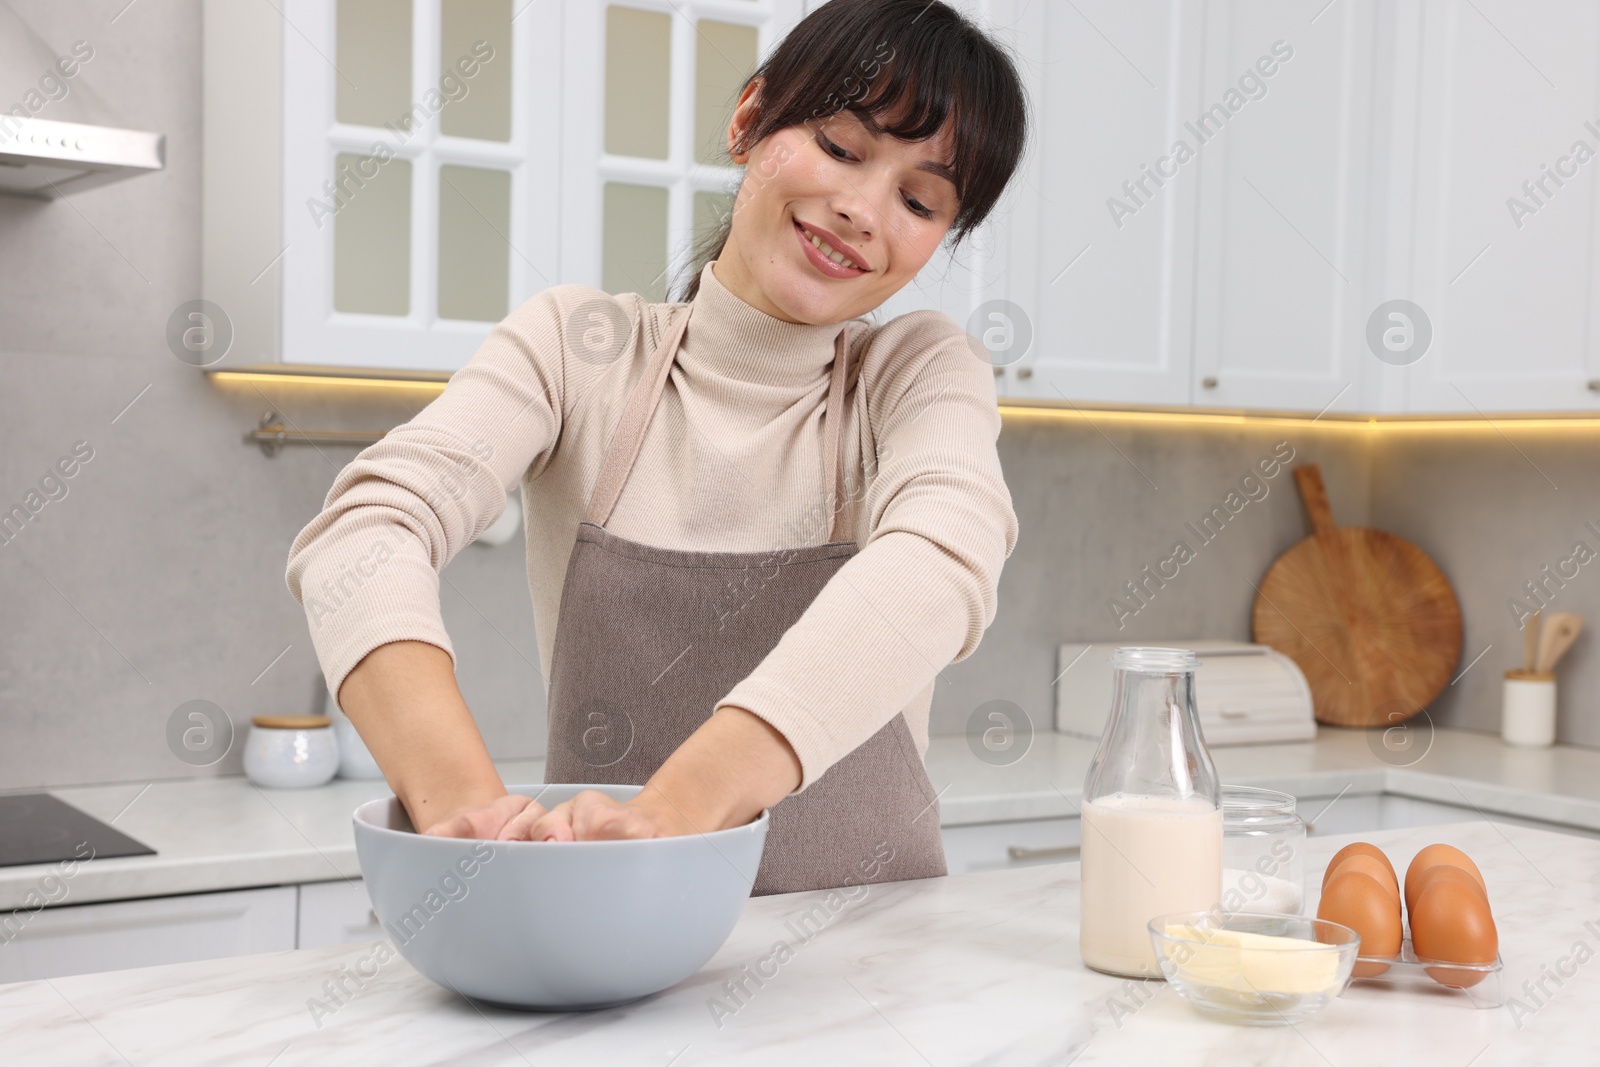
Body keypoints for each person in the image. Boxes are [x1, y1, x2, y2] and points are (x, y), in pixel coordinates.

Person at [286, 0, 1027, 896]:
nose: (861, 210)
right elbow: (365, 532)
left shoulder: (918, 371)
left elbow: (939, 563)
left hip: (863, 958)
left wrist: (678, 808)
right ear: (750, 119)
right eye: (839, 146)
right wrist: (462, 806)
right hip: (607, 938)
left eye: (918, 200)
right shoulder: (576, 347)